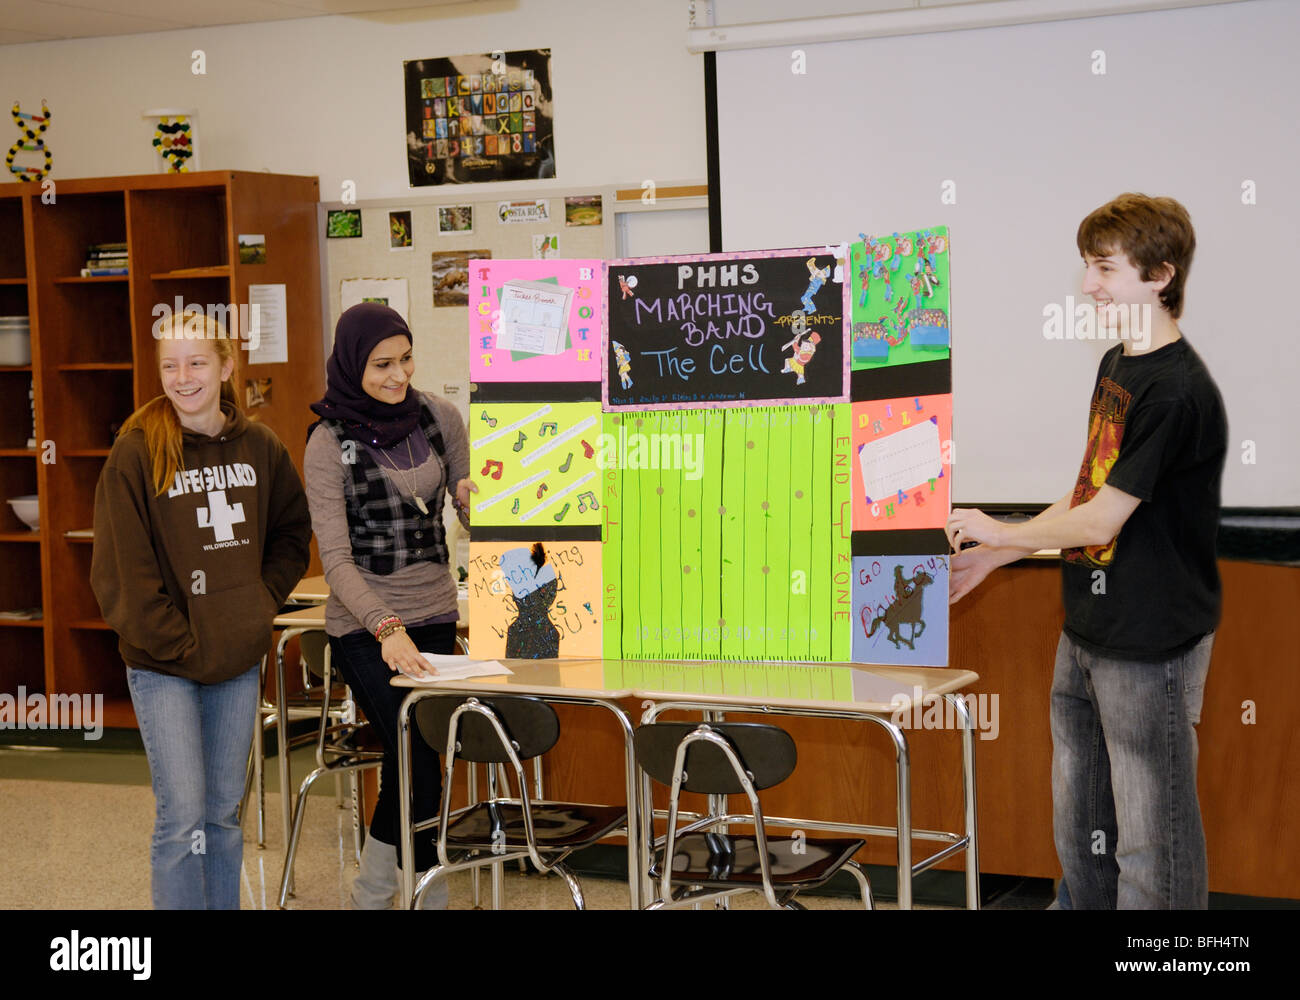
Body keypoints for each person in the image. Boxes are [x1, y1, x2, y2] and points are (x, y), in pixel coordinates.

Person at [946, 193, 1227, 910]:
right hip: (1088, 629)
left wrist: (998, 529)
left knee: (1150, 842)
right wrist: (1000, 555)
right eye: (1086, 266)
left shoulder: (1177, 390)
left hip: (1149, 643)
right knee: (1083, 831)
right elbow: (1087, 489)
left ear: (1160, 274)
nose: (1088, 285)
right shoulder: (1118, 363)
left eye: (1104, 267)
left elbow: (1102, 521)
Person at [91, 310, 311, 909]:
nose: (182, 377)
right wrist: (181, 643)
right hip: (164, 665)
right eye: (170, 365)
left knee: (222, 814)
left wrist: (257, 605)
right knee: (182, 817)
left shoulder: (260, 446)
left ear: (226, 366)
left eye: (196, 362)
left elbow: (292, 533)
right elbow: (119, 572)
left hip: (235, 659)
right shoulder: (136, 453)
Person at [305, 302, 474, 909]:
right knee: (416, 753)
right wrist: (385, 627)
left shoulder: (439, 416)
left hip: (435, 613)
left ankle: (372, 893)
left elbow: (470, 510)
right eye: (381, 364)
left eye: (405, 359)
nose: (397, 375)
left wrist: (478, 503)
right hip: (363, 627)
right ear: (354, 364)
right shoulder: (328, 443)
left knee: (418, 759)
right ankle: (429, 898)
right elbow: (337, 562)